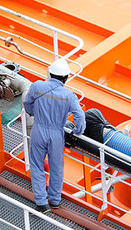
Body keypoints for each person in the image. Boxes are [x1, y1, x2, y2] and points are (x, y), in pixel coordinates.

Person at [23, 59, 86, 213]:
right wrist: (77, 132)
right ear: (65, 78)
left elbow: (27, 103)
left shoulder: (37, 86)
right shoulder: (69, 95)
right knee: (56, 167)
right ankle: (55, 200)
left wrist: (33, 113)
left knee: (37, 166)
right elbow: (80, 116)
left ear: (50, 73)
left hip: (39, 130)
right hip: (57, 133)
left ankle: (41, 203)